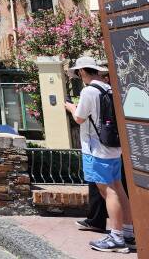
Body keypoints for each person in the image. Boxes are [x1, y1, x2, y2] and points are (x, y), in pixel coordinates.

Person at [65, 57, 134, 252]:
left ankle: (116, 238)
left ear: (82, 72)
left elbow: (79, 118)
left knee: (107, 191)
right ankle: (128, 233)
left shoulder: (88, 91)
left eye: (79, 73)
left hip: (96, 148)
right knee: (118, 188)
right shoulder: (109, 88)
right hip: (113, 146)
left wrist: (71, 107)